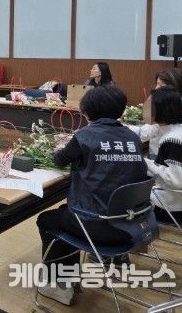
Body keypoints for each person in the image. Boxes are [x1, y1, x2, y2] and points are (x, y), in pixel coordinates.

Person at [35, 86, 147, 306]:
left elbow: (59, 160)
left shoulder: (85, 135)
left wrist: (62, 149)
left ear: (87, 111)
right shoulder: (133, 137)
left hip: (97, 225)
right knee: (64, 214)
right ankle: (71, 277)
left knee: (48, 220)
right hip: (130, 225)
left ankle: (59, 285)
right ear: (121, 110)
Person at [144, 86, 182, 223]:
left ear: (161, 110)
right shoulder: (180, 132)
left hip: (172, 207)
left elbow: (175, 180)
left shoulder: (172, 140)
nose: (144, 110)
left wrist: (148, 164)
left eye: (148, 106)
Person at [129, 68, 182, 157]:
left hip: (174, 158)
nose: (156, 88)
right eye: (156, 84)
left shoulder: (171, 106)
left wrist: (122, 127)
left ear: (172, 87)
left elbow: (146, 132)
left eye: (160, 85)